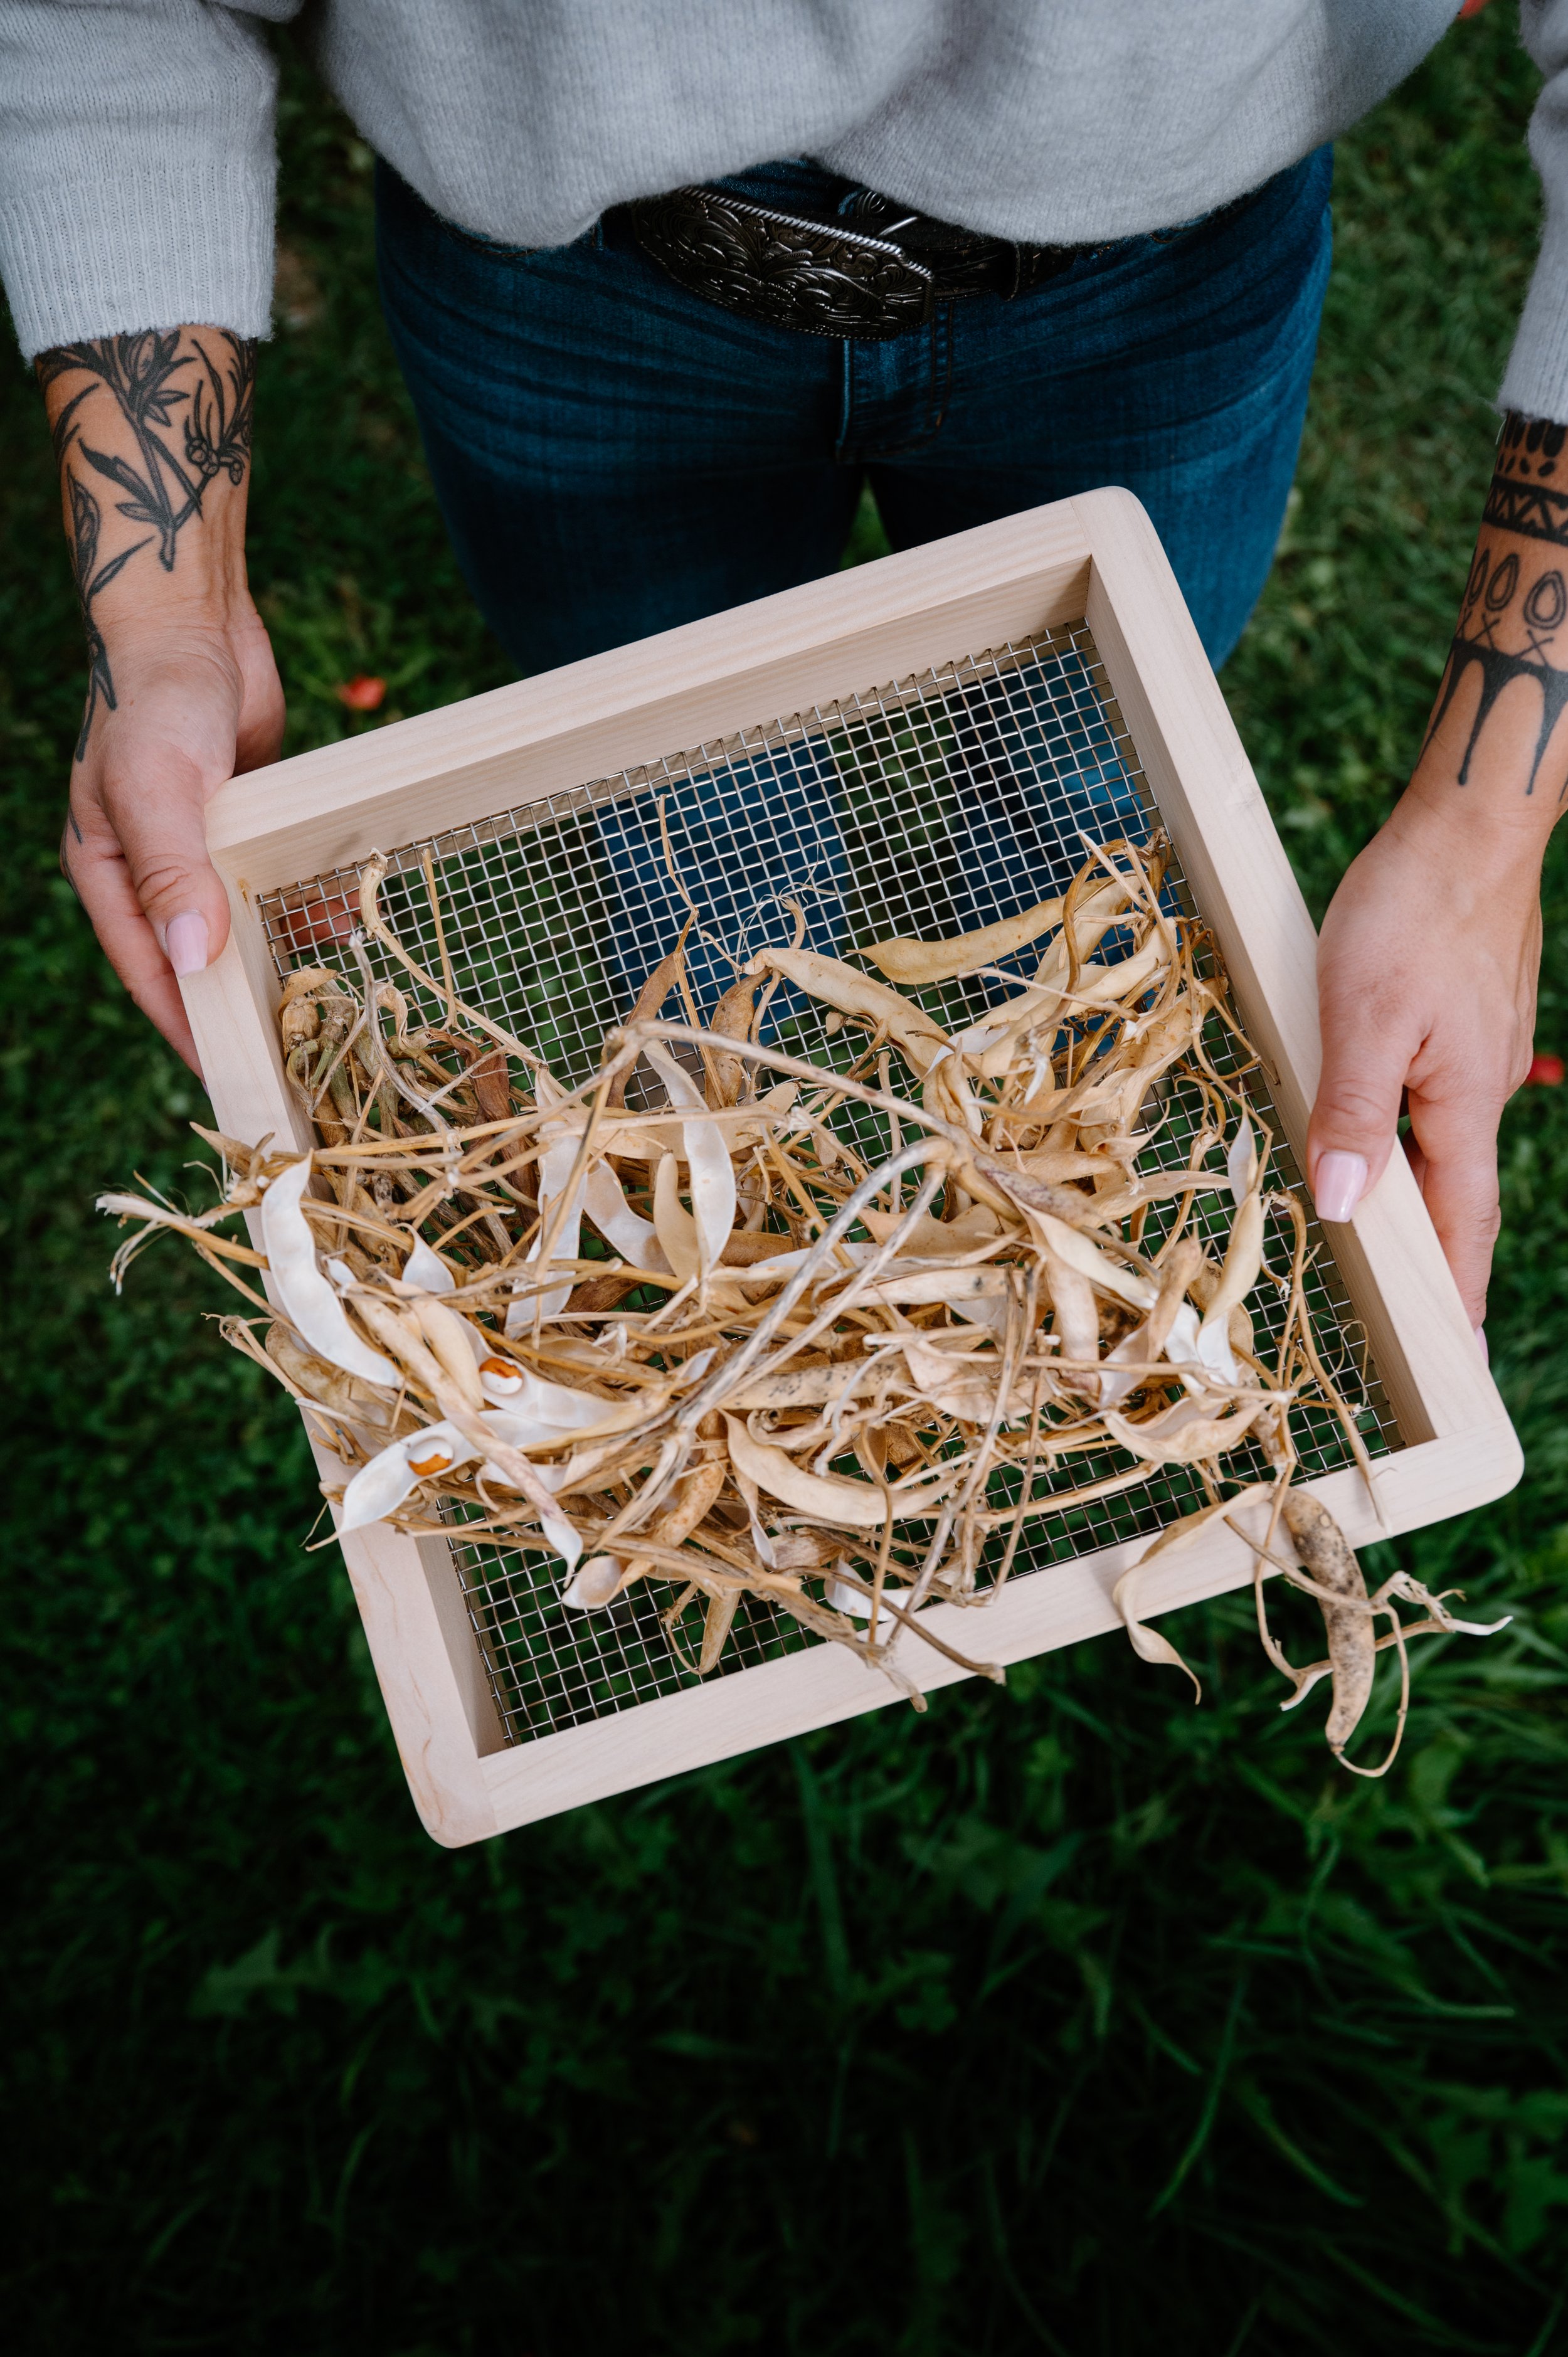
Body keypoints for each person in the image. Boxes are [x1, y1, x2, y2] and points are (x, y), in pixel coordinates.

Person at [2, 1, 1564, 1351]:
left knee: (1078, 800)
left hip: (1157, 277)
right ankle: (739, 1207)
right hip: (571, 278)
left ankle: (1035, 1172)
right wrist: (168, 619)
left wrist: (1485, 826)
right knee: (678, 826)